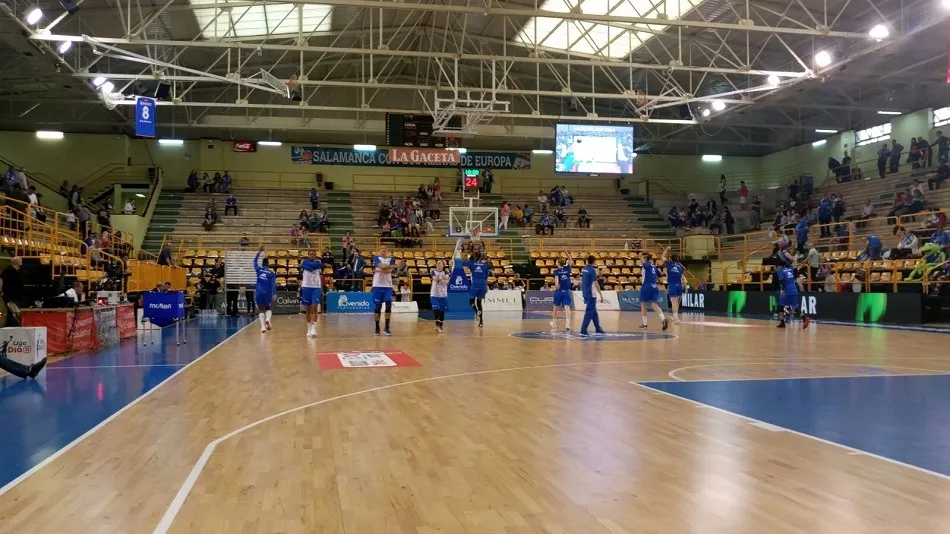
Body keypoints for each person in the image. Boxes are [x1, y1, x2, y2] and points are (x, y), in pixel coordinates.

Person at [456, 238, 490, 327]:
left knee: (471, 302)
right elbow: (487, 275)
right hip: (483, 285)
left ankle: (476, 311)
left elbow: (462, 263)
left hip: (475, 285)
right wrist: (486, 285)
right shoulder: (485, 264)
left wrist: (466, 256)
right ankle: (481, 322)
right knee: (479, 303)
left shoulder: (472, 263)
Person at [639, 252, 670, 330]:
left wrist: (642, 257)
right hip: (654, 286)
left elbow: (644, 262)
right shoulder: (654, 266)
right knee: (654, 304)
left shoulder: (647, 265)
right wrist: (654, 280)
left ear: (645, 259)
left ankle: (645, 324)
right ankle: (663, 319)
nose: (641, 259)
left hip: (646, 286)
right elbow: (660, 275)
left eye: (643, 258)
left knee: (643, 304)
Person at [775, 262, 809, 329]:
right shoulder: (790, 269)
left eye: (775, 267)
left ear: (778, 266)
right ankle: (804, 318)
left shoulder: (780, 271)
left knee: (780, 306)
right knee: (794, 307)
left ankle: (782, 323)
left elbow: (782, 281)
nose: (775, 269)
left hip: (787, 291)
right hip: (794, 290)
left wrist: (782, 290)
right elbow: (794, 276)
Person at [371, 246, 396, 336]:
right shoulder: (376, 258)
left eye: (385, 248)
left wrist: (382, 269)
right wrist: (386, 268)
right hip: (377, 285)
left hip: (388, 286)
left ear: (387, 251)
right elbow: (382, 267)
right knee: (378, 307)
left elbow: (390, 270)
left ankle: (387, 327)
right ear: (379, 251)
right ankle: (377, 327)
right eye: (382, 248)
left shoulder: (391, 259)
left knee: (388, 305)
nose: (383, 250)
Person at [579, 255, 606, 337]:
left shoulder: (584, 269)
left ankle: (598, 328)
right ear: (594, 261)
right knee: (589, 312)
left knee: (594, 312)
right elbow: (595, 282)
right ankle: (583, 330)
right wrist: (601, 294)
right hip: (591, 293)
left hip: (585, 292)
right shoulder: (592, 270)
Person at [300, 250, 324, 338]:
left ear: (315, 256)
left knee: (314, 307)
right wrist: (305, 265)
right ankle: (309, 328)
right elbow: (311, 267)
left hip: (316, 287)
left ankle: (314, 328)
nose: (312, 256)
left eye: (313, 254)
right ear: (308, 255)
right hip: (306, 287)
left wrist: (303, 266)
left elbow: (312, 267)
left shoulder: (318, 262)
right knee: (308, 309)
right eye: (310, 254)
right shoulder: (304, 261)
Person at [253, 246, 277, 333]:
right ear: (268, 265)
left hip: (259, 291)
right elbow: (273, 284)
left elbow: (254, 261)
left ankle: (263, 327)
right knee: (268, 308)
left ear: (262, 264)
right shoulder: (271, 273)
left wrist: (259, 252)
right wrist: (274, 293)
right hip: (267, 292)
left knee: (261, 309)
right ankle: (267, 319)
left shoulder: (258, 269)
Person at [550, 253, 574, 331]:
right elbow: (570, 259)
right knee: (567, 308)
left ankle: (554, 323)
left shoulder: (556, 271)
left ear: (558, 263)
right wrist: (566, 252)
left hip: (559, 292)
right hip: (566, 291)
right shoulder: (567, 269)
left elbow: (556, 283)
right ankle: (567, 325)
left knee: (555, 308)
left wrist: (557, 285)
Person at [662, 247, 684, 324]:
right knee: (676, 301)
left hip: (673, 285)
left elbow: (662, 256)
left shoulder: (669, 264)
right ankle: (676, 317)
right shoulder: (680, 267)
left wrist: (666, 249)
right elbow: (682, 277)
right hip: (679, 285)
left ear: (671, 259)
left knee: (673, 302)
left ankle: (676, 318)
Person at [430, 259, 450, 333]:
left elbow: (447, 279)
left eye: (440, 263)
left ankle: (441, 326)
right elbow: (435, 278)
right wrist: (443, 277)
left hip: (443, 295)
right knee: (437, 309)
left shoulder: (446, 272)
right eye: (437, 263)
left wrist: (442, 277)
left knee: (442, 311)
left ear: (443, 265)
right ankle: (437, 326)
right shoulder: (433, 271)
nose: (438, 264)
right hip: (434, 294)